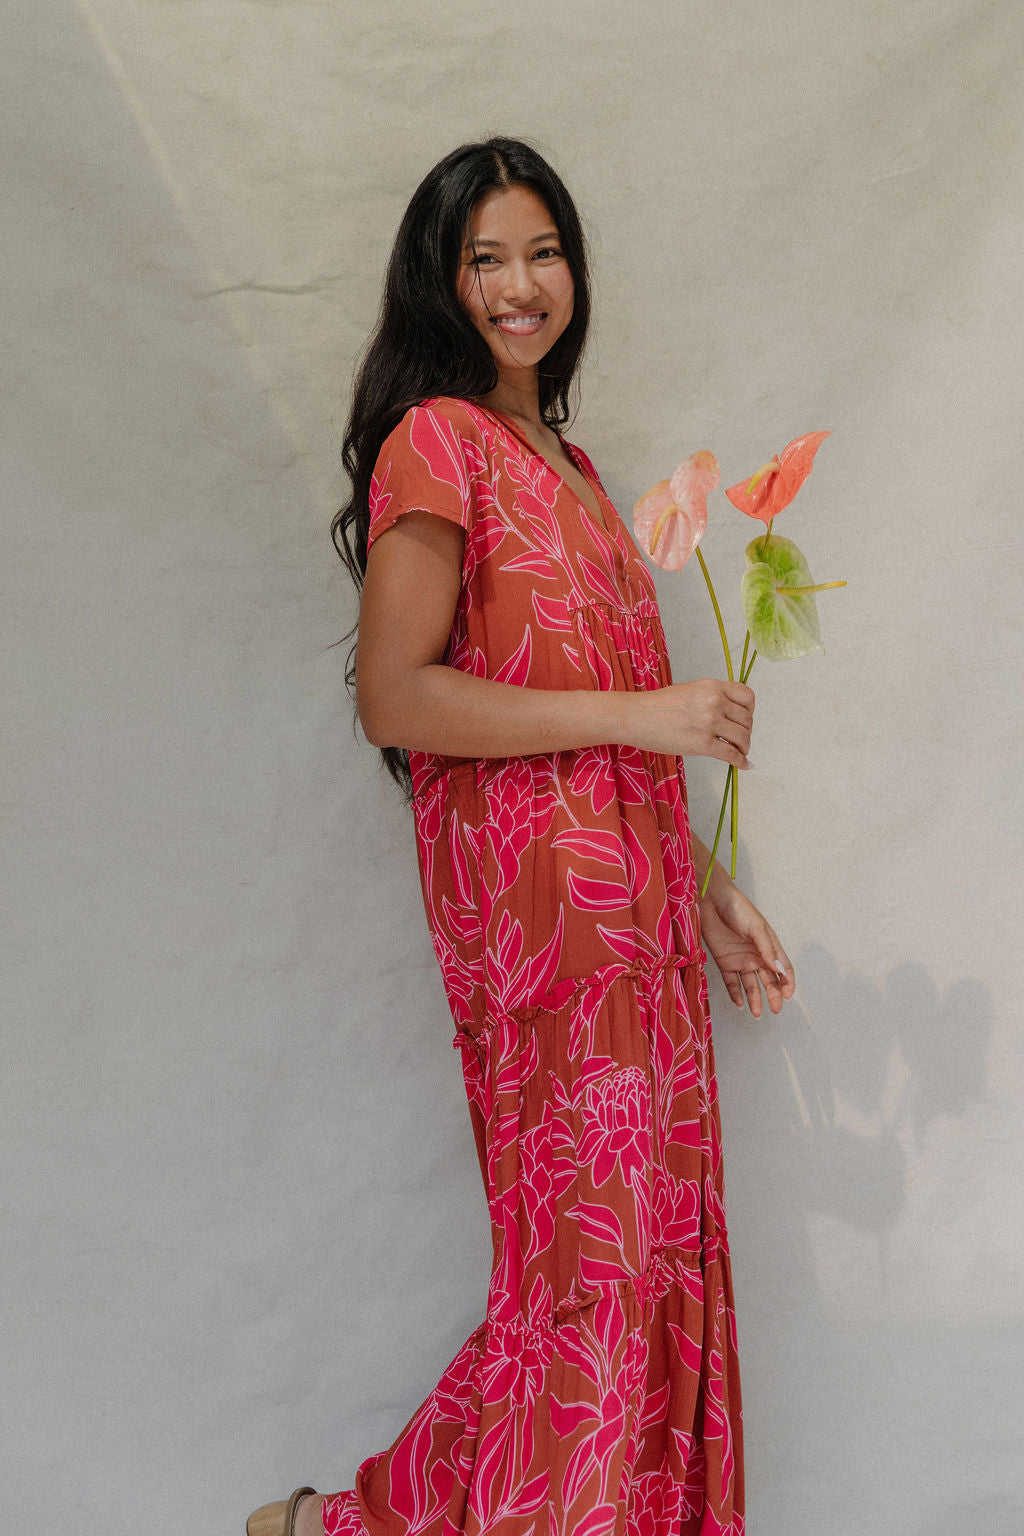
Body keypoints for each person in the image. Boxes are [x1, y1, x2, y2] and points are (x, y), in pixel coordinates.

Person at [247, 136, 795, 1536]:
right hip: (544, 934)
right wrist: (655, 710)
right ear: (440, 280)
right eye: (484, 255)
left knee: (648, 1262)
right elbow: (397, 692)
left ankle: (340, 1525)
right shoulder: (439, 442)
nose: (519, 281)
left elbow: (610, 723)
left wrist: (708, 883)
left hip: (641, 929)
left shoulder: (571, 461)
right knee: (585, 1289)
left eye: (542, 249)